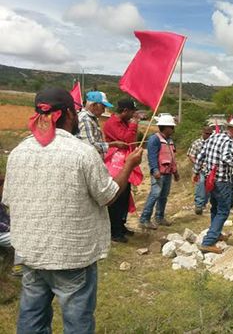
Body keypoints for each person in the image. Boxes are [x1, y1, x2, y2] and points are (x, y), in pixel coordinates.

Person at [3, 87, 142, 333]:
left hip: (30, 253)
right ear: (69, 113)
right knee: (77, 322)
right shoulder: (82, 153)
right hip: (72, 256)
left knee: (31, 319)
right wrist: (129, 165)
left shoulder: (18, 153)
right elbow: (108, 195)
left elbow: (8, 199)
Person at [195, 119, 233, 254]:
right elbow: (226, 158)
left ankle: (215, 233)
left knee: (215, 208)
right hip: (222, 179)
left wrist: (196, 171)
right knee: (223, 210)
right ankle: (208, 242)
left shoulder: (213, 137)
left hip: (210, 179)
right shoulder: (229, 141)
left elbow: (201, 156)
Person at [102, 98, 140, 242]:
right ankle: (115, 231)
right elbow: (128, 139)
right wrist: (134, 125)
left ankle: (121, 225)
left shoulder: (124, 123)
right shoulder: (113, 123)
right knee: (117, 197)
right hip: (114, 165)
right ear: (125, 111)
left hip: (124, 164)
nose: (133, 115)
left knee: (124, 196)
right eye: (131, 112)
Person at [139, 113, 180, 229]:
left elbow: (172, 157)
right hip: (159, 173)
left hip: (168, 173)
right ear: (165, 127)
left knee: (163, 196)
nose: (173, 129)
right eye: (171, 127)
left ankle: (159, 217)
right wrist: (155, 170)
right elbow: (152, 156)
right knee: (155, 194)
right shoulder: (154, 139)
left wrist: (175, 172)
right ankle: (144, 219)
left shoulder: (170, 140)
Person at [78, 91, 127, 158]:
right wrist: (112, 144)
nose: (103, 111)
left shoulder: (91, 118)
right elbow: (90, 146)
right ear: (93, 105)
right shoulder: (85, 119)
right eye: (103, 107)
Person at [0, 176, 23, 276]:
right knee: (20, 237)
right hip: (1, 232)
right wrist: (11, 228)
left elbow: (6, 217)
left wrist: (17, 222)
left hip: (3, 231)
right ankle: (18, 267)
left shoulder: (1, 202)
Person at [189, 126, 214, 215]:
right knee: (201, 183)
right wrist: (197, 163)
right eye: (207, 133)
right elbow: (191, 155)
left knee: (209, 186)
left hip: (211, 169)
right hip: (200, 169)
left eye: (210, 134)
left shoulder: (213, 143)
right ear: (202, 133)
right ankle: (198, 205)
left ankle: (204, 203)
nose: (208, 135)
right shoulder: (196, 143)